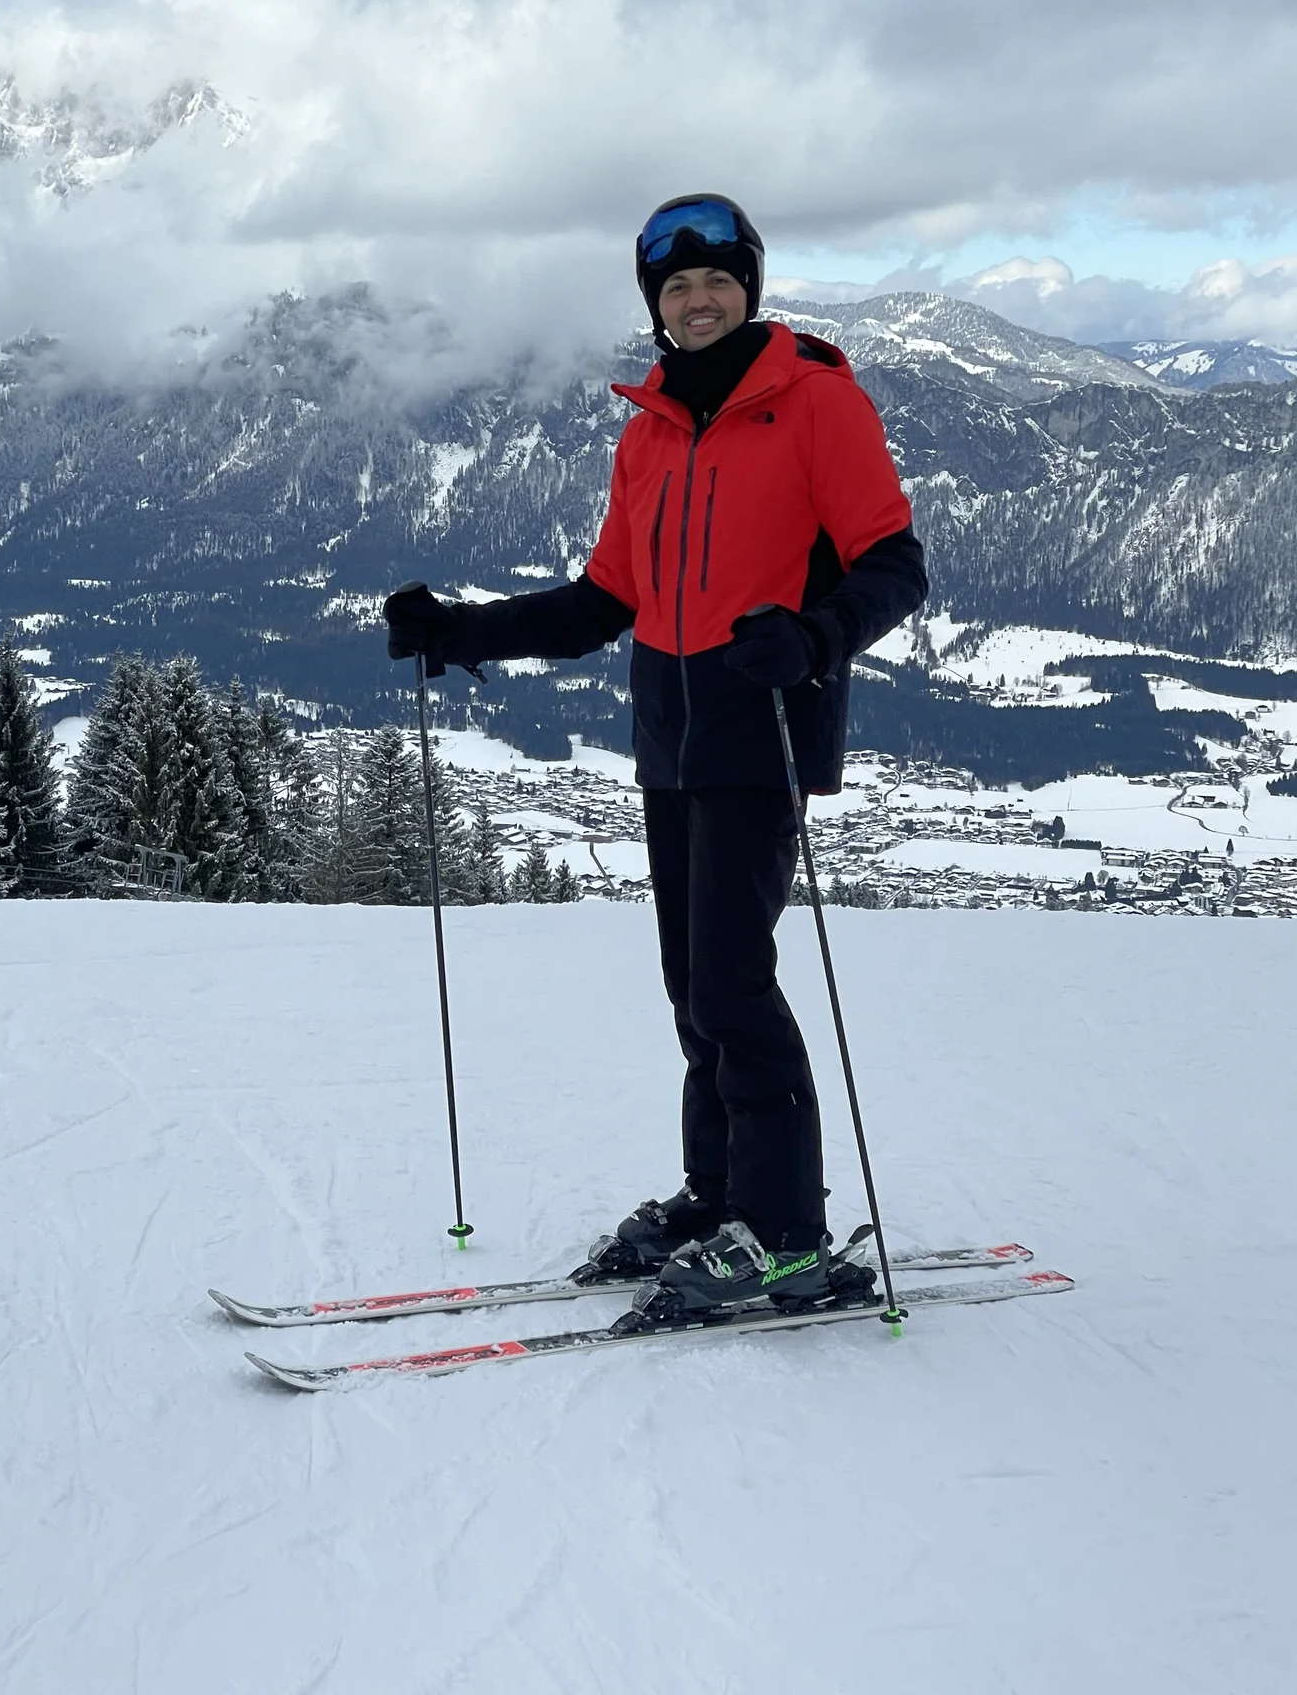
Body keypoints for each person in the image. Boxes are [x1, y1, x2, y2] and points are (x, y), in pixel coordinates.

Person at [385, 193, 926, 1313]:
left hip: (764, 727)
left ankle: (784, 1232)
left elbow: (893, 564)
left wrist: (816, 635)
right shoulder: (652, 431)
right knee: (694, 987)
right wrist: (465, 628)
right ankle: (721, 1190)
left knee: (733, 981)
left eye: (717, 280)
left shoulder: (818, 404)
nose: (697, 299)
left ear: (750, 288)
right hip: (670, 740)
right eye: (676, 287)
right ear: (656, 305)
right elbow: (603, 601)